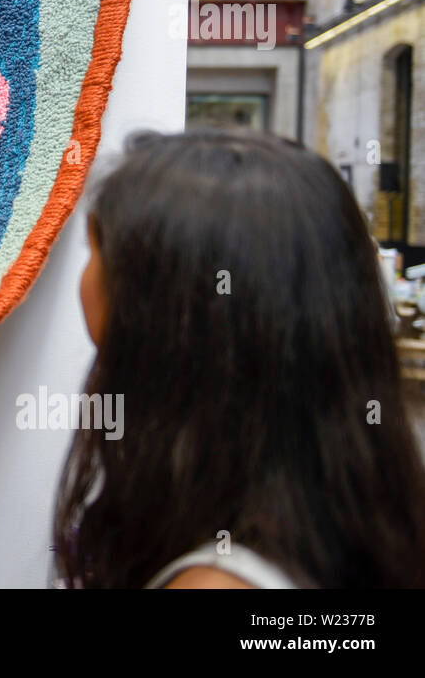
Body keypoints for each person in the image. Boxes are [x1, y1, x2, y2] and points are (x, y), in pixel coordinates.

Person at [56, 125, 425, 588]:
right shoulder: (352, 513)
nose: (85, 278)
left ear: (162, 309)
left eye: (96, 249)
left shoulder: (216, 582)